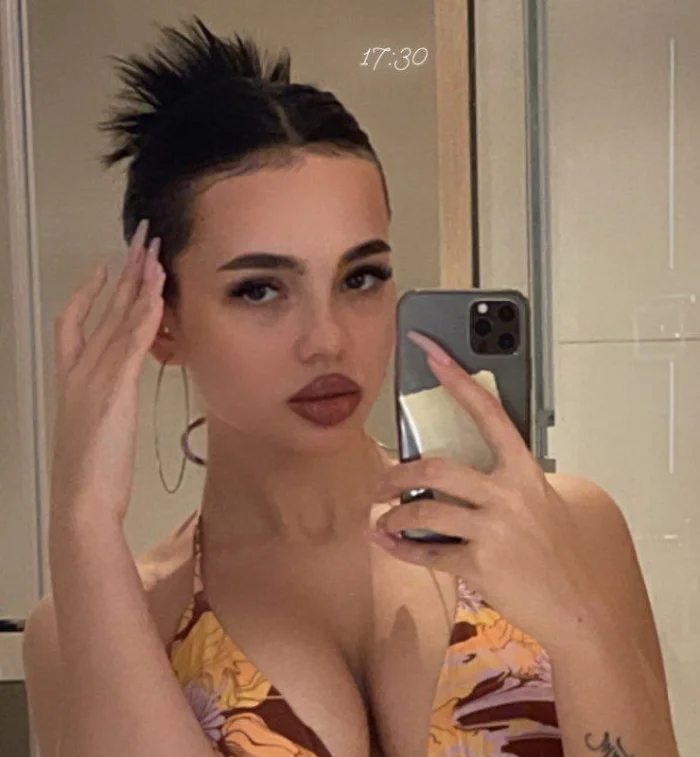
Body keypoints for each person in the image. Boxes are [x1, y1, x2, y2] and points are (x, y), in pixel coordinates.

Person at [21, 17, 679, 757]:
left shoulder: (570, 528)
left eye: (360, 277)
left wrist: (574, 622)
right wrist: (82, 518)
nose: (328, 338)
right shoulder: (100, 614)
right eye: (260, 289)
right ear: (162, 322)